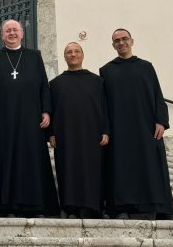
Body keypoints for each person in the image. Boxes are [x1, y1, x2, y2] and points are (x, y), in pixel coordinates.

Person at [99, 28, 173, 221]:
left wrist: (161, 120)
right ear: (113, 45)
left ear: (132, 41)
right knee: (121, 168)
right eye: (117, 40)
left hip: (146, 128)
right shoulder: (106, 71)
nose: (121, 43)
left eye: (124, 39)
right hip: (119, 130)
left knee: (152, 166)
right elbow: (102, 105)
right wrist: (105, 130)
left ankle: (161, 209)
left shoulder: (146, 67)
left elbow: (157, 95)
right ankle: (121, 209)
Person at [0, 19, 59, 217]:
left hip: (31, 119)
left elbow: (44, 85)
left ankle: (35, 206)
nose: (12, 33)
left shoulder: (34, 56)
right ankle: (6, 206)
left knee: (31, 160)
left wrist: (46, 111)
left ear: (22, 34)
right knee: (5, 160)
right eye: (8, 30)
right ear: (2, 35)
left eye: (15, 30)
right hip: (3, 120)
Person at [48, 42, 109, 219]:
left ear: (82, 55)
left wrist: (106, 130)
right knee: (68, 169)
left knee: (93, 170)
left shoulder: (97, 81)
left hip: (93, 135)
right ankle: (70, 208)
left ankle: (93, 207)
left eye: (76, 51)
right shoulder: (55, 84)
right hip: (65, 135)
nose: (73, 54)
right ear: (65, 56)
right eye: (69, 52)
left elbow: (106, 108)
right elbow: (49, 110)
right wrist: (51, 133)